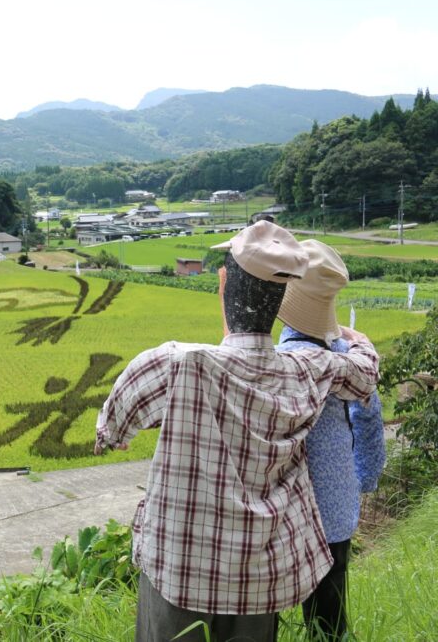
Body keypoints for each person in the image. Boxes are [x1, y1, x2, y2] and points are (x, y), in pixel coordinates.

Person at [94, 220, 380, 642]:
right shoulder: (308, 371)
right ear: (282, 297)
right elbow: (364, 374)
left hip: (179, 572)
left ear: (223, 282)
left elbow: (112, 430)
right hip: (259, 580)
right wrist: (356, 339)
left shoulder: (175, 365)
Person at [274, 240, 386, 640]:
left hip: (279, 511)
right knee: (329, 619)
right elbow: (369, 420)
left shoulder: (273, 362)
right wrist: (365, 480)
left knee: (265, 610)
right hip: (335, 506)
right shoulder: (351, 359)